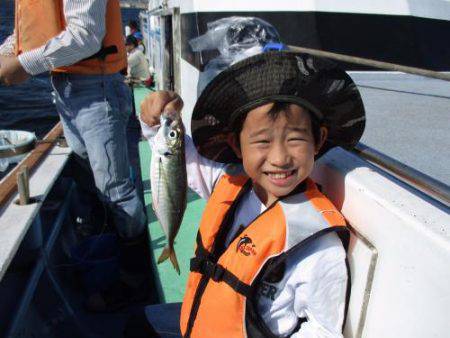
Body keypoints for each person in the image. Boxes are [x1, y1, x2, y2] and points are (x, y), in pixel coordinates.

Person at [131, 51, 366, 337]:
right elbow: (175, 156)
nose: (279, 158)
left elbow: (322, 329)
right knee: (138, 323)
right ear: (236, 144)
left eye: (295, 139)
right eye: (262, 141)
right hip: (198, 322)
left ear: (319, 140)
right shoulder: (227, 181)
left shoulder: (319, 247)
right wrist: (157, 116)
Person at [0, 0, 150, 311]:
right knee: (89, 174)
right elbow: (29, 31)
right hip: (64, 87)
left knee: (117, 191)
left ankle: (133, 279)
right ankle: (108, 243)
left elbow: (86, 35)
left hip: (96, 89)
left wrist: (23, 65)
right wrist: (7, 51)